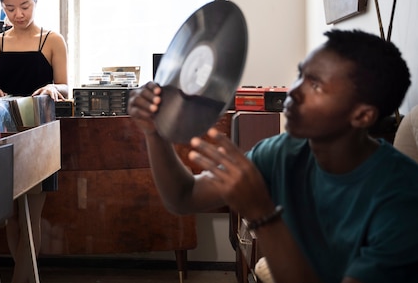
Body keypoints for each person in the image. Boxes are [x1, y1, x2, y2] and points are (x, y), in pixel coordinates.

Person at [128, 29, 418, 283]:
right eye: (300, 75)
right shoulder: (280, 152)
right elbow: (184, 196)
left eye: (315, 85)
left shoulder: (403, 198)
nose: (293, 92)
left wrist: (261, 213)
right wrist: (155, 134)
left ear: (362, 115)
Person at [0, 0, 68, 283]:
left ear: (35, 2)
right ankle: (23, 277)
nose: (19, 14)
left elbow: (67, 87)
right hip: (1, 135)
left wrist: (53, 87)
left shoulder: (52, 40)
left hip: (40, 133)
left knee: (32, 215)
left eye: (25, 6)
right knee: (13, 215)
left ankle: (19, 279)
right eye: (10, 8)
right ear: (3, 8)